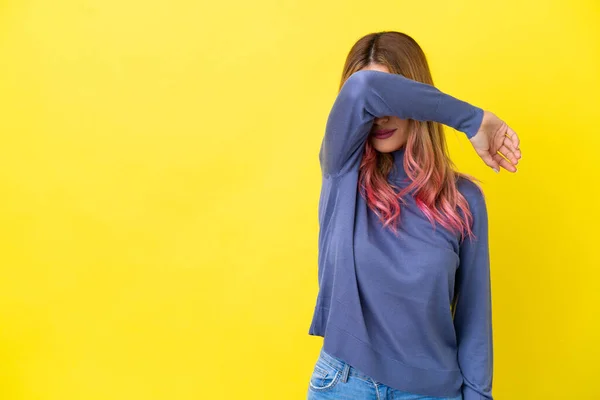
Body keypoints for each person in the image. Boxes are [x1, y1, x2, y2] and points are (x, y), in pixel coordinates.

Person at [306, 31, 521, 400]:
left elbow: (474, 320)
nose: (380, 115)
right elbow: (362, 90)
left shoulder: (463, 199)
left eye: (397, 95)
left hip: (434, 392)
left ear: (420, 99)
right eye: (377, 101)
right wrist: (473, 120)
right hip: (345, 385)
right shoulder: (341, 171)